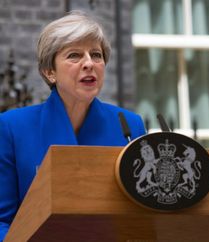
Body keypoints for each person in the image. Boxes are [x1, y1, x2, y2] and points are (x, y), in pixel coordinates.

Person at [0, 11, 146, 241]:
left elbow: (141, 214)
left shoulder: (130, 125)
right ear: (50, 72)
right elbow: (1, 220)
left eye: (96, 55)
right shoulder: (11, 127)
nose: (89, 63)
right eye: (74, 56)